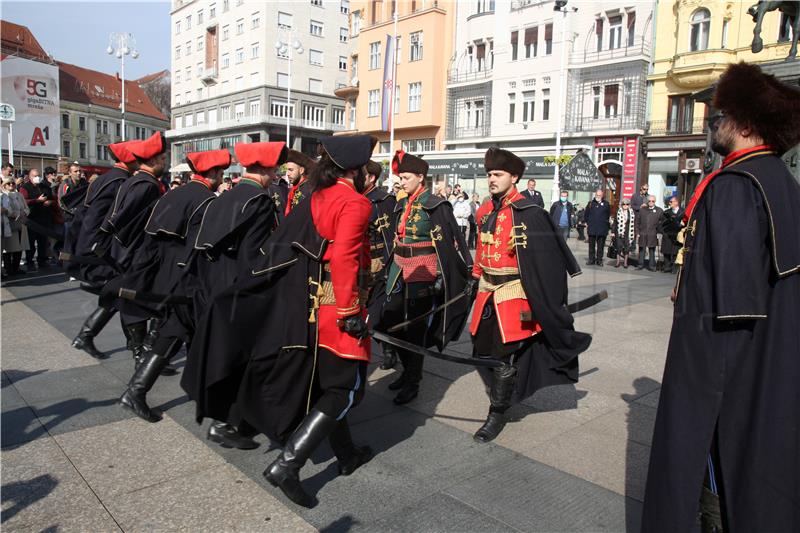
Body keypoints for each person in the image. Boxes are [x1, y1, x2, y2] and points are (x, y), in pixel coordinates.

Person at [641, 62, 800, 533]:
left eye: (721, 114)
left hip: (727, 364)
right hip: (774, 357)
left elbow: (729, 308)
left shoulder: (734, 186)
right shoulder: (782, 182)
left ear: (747, 123)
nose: (713, 122)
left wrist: (695, 394)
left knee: (711, 457)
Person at [469, 147, 591, 442]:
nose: (491, 179)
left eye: (497, 174)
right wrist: (474, 279)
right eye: (489, 174)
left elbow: (546, 263)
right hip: (487, 290)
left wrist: (547, 303)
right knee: (481, 348)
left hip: (514, 293)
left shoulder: (530, 213)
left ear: (515, 177)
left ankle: (497, 412)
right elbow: (482, 251)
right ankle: (504, 394)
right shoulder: (486, 210)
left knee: (504, 354)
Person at [182, 141, 287, 448]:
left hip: (214, 284)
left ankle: (237, 418)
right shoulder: (260, 200)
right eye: (275, 167)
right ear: (267, 169)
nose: (277, 172)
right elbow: (254, 255)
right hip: (239, 290)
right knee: (243, 355)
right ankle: (226, 423)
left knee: (230, 354)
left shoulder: (227, 196)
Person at [118, 148, 229, 425]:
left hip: (165, 273)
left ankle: (198, 391)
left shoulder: (173, 193)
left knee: (188, 332)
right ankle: (136, 391)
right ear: (214, 174)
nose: (221, 178)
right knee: (178, 331)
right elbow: (203, 246)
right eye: (220, 174)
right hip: (187, 279)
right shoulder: (206, 201)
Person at [370, 150, 472, 405]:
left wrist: (445, 273)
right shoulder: (403, 203)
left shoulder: (436, 205)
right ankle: (406, 372)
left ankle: (413, 381)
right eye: (400, 177)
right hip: (398, 270)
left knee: (413, 330)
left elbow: (450, 243)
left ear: (420, 177)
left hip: (423, 272)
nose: (401, 182)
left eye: (405, 177)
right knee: (390, 319)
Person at [99, 132, 167, 368]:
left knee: (135, 299)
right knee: (136, 300)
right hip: (136, 252)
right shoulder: (147, 185)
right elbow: (126, 218)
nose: (165, 163)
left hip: (128, 251)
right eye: (163, 159)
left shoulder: (134, 180)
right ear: (155, 161)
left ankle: (141, 348)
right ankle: (140, 352)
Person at [67, 140, 140, 359]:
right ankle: (137, 349)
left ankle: (89, 336)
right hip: (104, 249)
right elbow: (106, 218)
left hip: (93, 245)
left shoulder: (106, 179)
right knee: (125, 293)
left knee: (120, 294)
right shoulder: (121, 181)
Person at [363, 160, 398, 370]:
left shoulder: (383, 200)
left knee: (374, 312)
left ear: (371, 178)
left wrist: (386, 265)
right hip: (359, 261)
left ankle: (388, 348)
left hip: (377, 263)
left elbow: (389, 236)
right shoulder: (355, 197)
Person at [18, 168, 54, 270]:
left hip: (44, 218)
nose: (37, 178)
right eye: (34, 176)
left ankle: (42, 260)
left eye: (38, 175)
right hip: (31, 219)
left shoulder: (44, 186)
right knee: (31, 242)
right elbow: (24, 201)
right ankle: (30, 262)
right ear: (29, 177)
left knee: (43, 241)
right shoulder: (25, 187)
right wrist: (37, 201)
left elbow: (52, 198)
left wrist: (50, 202)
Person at [2, 176, 30, 276]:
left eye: (13, 183)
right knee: (8, 248)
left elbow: (26, 208)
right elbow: (7, 210)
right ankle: (9, 269)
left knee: (19, 247)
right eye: (9, 183)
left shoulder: (19, 195)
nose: (11, 185)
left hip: (21, 223)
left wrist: (24, 213)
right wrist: (14, 214)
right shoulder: (4, 195)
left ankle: (16, 267)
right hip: (10, 224)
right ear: (4, 185)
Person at [634, 196, 662, 271]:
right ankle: (640, 264)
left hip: (653, 233)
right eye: (649, 201)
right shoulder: (642, 210)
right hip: (643, 232)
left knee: (652, 250)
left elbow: (661, 223)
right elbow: (637, 221)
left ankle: (652, 266)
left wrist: (659, 232)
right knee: (641, 249)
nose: (651, 202)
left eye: (653, 201)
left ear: (655, 201)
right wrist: (637, 232)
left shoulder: (659, 210)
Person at [284, 149, 316, 215]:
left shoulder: (306, 190)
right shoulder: (297, 188)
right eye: (287, 170)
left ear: (301, 170)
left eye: (291, 170)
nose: (288, 174)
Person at [583, 189, 610, 266]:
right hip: (592, 228)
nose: (598, 196)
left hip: (602, 229)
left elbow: (607, 215)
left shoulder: (606, 204)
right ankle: (591, 260)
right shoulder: (590, 203)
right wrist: (588, 223)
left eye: (599, 195)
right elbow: (586, 214)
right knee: (591, 246)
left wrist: (605, 224)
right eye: (597, 195)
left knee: (600, 246)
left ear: (602, 196)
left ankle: (599, 260)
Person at [659, 196, 683, 273]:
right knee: (667, 251)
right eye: (669, 202)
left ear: (676, 202)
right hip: (668, 235)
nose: (669, 203)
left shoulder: (682, 212)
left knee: (676, 252)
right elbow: (662, 224)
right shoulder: (666, 212)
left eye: (671, 202)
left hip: (677, 235)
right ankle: (667, 267)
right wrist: (663, 233)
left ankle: (674, 268)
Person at [613, 199, 635, 268]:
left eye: (627, 204)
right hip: (619, 232)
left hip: (628, 233)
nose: (625, 206)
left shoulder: (631, 212)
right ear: (621, 205)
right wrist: (613, 232)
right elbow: (615, 223)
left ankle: (625, 263)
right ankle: (618, 262)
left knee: (626, 248)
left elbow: (633, 223)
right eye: (624, 204)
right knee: (618, 247)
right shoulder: (618, 212)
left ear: (629, 205)